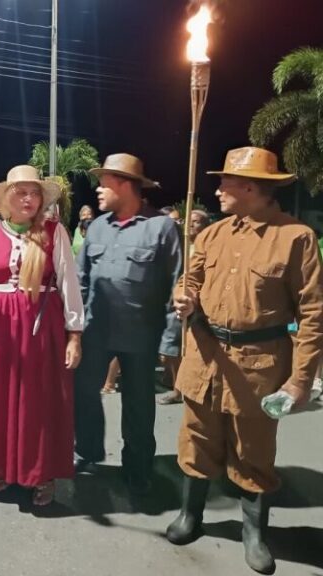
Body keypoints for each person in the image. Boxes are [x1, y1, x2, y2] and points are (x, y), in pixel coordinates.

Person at [165, 147, 323, 574]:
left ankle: (253, 533)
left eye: (225, 183)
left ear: (249, 187)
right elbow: (191, 276)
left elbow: (312, 314)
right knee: (195, 439)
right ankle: (190, 516)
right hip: (205, 355)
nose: (217, 191)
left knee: (253, 451)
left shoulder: (296, 238)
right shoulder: (213, 234)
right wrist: (185, 294)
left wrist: (299, 380)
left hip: (260, 362)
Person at [0, 165, 84, 506]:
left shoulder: (54, 232)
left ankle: (39, 471)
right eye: (21, 192)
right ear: (7, 200)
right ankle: (0, 466)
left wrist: (75, 333)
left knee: (38, 400)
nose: (28, 199)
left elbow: (69, 282)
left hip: (39, 324)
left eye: (34, 193)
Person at [75, 153, 181, 495]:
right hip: (96, 332)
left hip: (141, 335)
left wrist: (169, 341)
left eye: (104, 184)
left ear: (125, 185)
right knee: (82, 392)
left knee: (138, 404)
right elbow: (82, 281)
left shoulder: (161, 227)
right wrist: (73, 330)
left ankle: (137, 465)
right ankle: (88, 449)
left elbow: (175, 285)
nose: (99, 192)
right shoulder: (97, 227)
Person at [158, 209, 212, 406]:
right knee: (172, 348)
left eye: (196, 222)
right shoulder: (181, 244)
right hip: (178, 300)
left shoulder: (207, 245)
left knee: (188, 346)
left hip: (201, 305)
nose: (190, 225)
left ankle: (180, 389)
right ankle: (177, 384)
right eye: (188, 221)